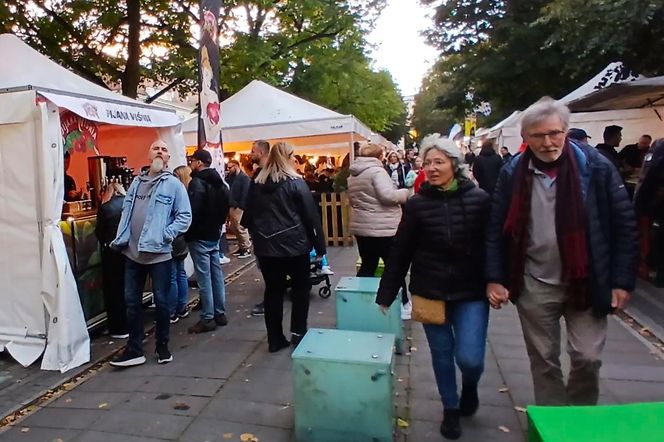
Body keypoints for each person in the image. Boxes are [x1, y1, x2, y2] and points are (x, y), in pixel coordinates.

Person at [486, 98, 637, 406]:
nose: (548, 142)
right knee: (544, 362)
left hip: (587, 279)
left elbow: (624, 226)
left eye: (554, 133)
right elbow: (495, 229)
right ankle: (552, 426)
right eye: (538, 136)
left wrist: (622, 282)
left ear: (566, 131)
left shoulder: (595, 167)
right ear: (525, 138)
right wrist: (495, 277)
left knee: (588, 357)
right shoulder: (513, 171)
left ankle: (579, 420)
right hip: (534, 282)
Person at [376, 134, 491, 440]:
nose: (432, 168)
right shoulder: (417, 205)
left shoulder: (479, 200)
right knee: (441, 354)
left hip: (471, 291)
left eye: (439, 161)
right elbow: (401, 250)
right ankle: (450, 409)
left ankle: (470, 386)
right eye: (427, 163)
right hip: (430, 290)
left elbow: (493, 245)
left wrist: (498, 280)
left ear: (454, 164)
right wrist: (387, 293)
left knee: (470, 357)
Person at [109, 140, 192, 367]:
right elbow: (127, 211)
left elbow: (185, 216)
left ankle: (162, 345)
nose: (160, 151)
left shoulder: (173, 184)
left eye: (164, 150)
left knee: (162, 302)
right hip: (132, 252)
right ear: (149, 154)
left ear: (167, 159)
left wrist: (166, 234)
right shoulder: (136, 182)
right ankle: (135, 348)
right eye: (156, 147)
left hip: (159, 254)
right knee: (132, 302)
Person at [242, 142, 326, 353]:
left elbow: (247, 218)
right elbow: (310, 217)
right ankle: (298, 332)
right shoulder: (296, 183)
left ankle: (275, 338)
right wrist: (320, 246)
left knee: (273, 292)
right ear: (289, 157)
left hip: (267, 248)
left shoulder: (257, 183)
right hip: (295, 246)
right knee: (300, 289)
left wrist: (259, 237)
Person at [348, 143, 412, 319]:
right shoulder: (377, 171)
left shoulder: (353, 174)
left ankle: (359, 300)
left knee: (368, 265)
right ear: (380, 155)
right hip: (383, 228)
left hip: (362, 227)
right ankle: (404, 304)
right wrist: (405, 193)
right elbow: (388, 196)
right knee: (394, 267)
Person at [186, 149, 230, 334]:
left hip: (200, 235)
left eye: (192, 160)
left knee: (204, 278)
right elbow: (226, 206)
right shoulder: (220, 183)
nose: (190, 164)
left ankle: (207, 318)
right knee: (216, 274)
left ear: (199, 163)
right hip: (214, 233)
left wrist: (188, 231)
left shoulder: (197, 183)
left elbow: (193, 211)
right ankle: (219, 313)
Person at [95, 181, 128, 339]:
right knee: (128, 288)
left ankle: (118, 328)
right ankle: (130, 323)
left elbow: (99, 233)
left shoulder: (105, 208)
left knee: (113, 291)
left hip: (111, 252)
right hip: (128, 251)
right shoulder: (128, 204)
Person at [634, 139, 664, 281]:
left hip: (644, 202)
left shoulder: (655, 148)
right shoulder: (660, 149)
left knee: (647, 236)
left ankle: (647, 268)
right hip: (651, 204)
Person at [249, 140, 271, 317]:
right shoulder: (260, 175)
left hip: (266, 231)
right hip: (264, 230)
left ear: (262, 152)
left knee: (269, 270)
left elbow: (255, 204)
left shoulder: (263, 177)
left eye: (253, 151)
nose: (250, 154)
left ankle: (269, 302)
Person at [169, 165, 192, 323]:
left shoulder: (174, 195)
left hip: (173, 238)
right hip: (183, 239)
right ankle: (182, 306)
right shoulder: (188, 193)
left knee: (172, 276)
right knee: (180, 272)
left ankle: (171, 311)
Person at [226, 159, 252, 258]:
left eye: (230, 167)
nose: (228, 170)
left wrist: (241, 205)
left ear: (236, 166)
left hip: (238, 206)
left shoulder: (244, 178)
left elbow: (245, 193)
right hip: (233, 205)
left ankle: (246, 247)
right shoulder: (232, 177)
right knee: (234, 228)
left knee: (239, 227)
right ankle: (242, 246)